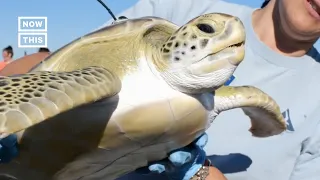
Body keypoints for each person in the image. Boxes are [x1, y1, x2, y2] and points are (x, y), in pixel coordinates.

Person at [1, 0, 320, 179]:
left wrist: (200, 174)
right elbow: (51, 64)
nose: (230, 37)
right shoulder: (178, 9)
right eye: (206, 30)